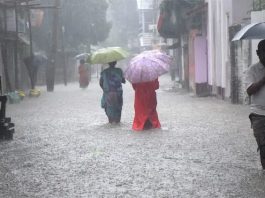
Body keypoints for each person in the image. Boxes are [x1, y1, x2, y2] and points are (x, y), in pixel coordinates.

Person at [246, 39, 265, 169]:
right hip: (258, 114)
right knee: (263, 145)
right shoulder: (252, 70)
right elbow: (249, 90)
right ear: (258, 53)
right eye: (264, 52)